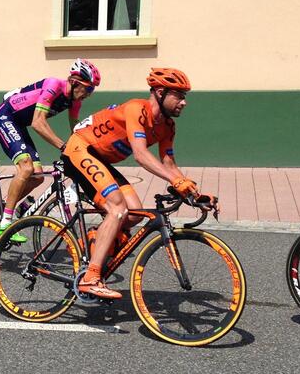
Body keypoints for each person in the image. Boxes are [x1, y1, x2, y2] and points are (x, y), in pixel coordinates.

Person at [64, 68, 210, 299]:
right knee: (118, 209)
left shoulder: (167, 126)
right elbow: (140, 155)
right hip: (80, 148)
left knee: (134, 215)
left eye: (185, 97)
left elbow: (170, 165)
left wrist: (195, 195)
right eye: (179, 96)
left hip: (99, 159)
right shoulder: (136, 109)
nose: (184, 102)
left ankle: (95, 239)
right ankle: (90, 277)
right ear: (160, 92)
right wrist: (176, 181)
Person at [0, 59, 100, 241]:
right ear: (74, 82)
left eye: (92, 90)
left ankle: (3, 208)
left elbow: (75, 130)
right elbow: (38, 123)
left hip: (19, 124)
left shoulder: (75, 102)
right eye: (88, 89)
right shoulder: (53, 85)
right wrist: (63, 147)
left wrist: (85, 149)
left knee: (38, 176)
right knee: (26, 168)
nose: (89, 94)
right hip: (5, 117)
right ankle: (5, 223)